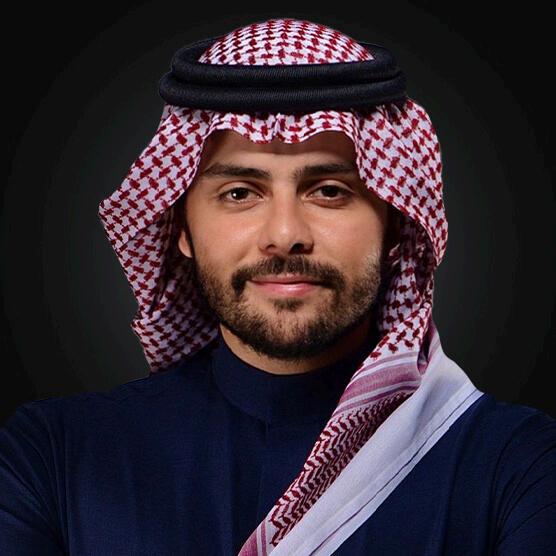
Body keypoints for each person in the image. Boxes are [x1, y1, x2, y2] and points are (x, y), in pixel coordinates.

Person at [1, 17, 554, 556]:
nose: (285, 235)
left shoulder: (519, 466)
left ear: (395, 224)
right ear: (181, 229)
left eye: (330, 191)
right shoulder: (51, 457)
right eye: (240, 193)